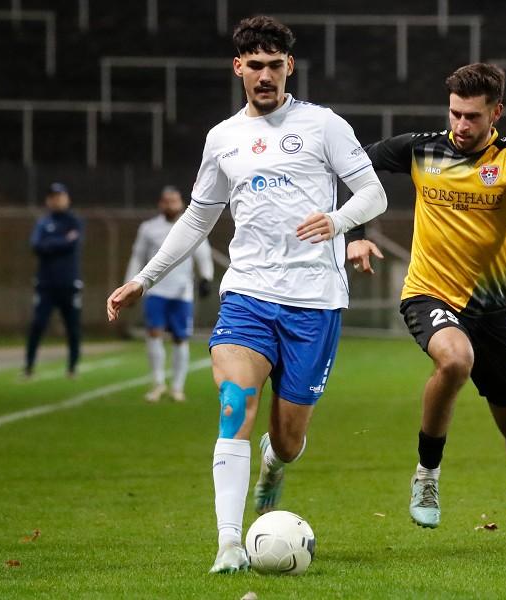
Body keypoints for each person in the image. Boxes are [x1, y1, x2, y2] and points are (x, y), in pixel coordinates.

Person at [105, 16, 387, 573]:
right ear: (238, 67)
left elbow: (373, 193)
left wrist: (337, 222)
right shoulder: (223, 139)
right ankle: (229, 544)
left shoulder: (323, 125)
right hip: (248, 295)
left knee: (288, 440)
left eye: (274, 65)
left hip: (314, 300)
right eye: (254, 65)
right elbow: (198, 218)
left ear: (290, 66)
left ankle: (274, 464)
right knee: (235, 404)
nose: (265, 75)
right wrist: (144, 279)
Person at [348, 63, 506, 544]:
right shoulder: (422, 149)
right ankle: (426, 476)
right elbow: (351, 167)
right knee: (455, 359)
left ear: (496, 112)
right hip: (428, 291)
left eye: (472, 116)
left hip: (491, 309)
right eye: (454, 113)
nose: (460, 125)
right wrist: (355, 233)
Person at [124, 186, 215, 403]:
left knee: (180, 338)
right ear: (160, 204)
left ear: (181, 203)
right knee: (154, 333)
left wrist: (206, 277)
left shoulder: (192, 224)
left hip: (182, 291)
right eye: (166, 201)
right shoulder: (149, 228)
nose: (170, 205)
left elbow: (203, 254)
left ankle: (177, 387)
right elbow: (137, 256)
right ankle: (157, 383)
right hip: (156, 290)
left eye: (174, 201)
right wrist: (130, 284)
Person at [24, 182, 84, 379]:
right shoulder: (43, 222)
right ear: (48, 200)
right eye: (53, 197)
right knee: (37, 325)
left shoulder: (74, 221)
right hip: (46, 284)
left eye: (60, 196)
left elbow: (72, 244)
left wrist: (51, 244)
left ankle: (72, 367)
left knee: (72, 328)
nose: (56, 200)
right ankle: (29, 366)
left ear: (67, 199)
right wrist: (62, 241)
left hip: (69, 283)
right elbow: (36, 246)